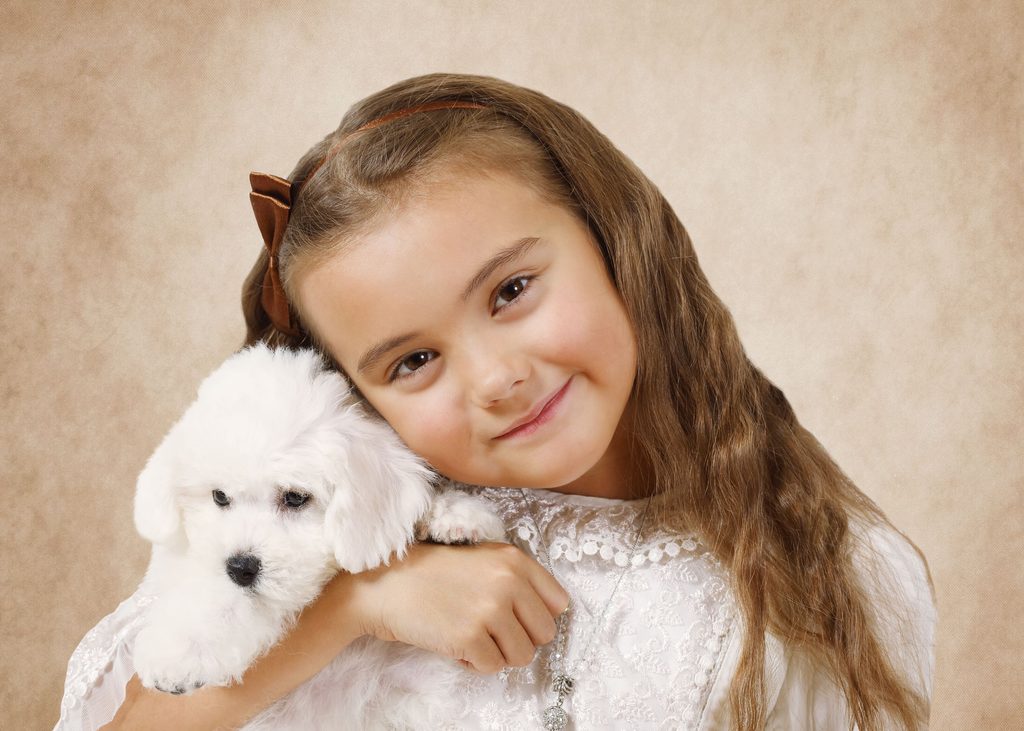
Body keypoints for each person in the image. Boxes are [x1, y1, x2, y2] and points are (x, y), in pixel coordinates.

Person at [56, 73, 936, 730]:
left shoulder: (825, 572)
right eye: (414, 360)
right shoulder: (320, 534)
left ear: (613, 237)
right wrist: (362, 602)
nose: (493, 378)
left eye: (511, 290)